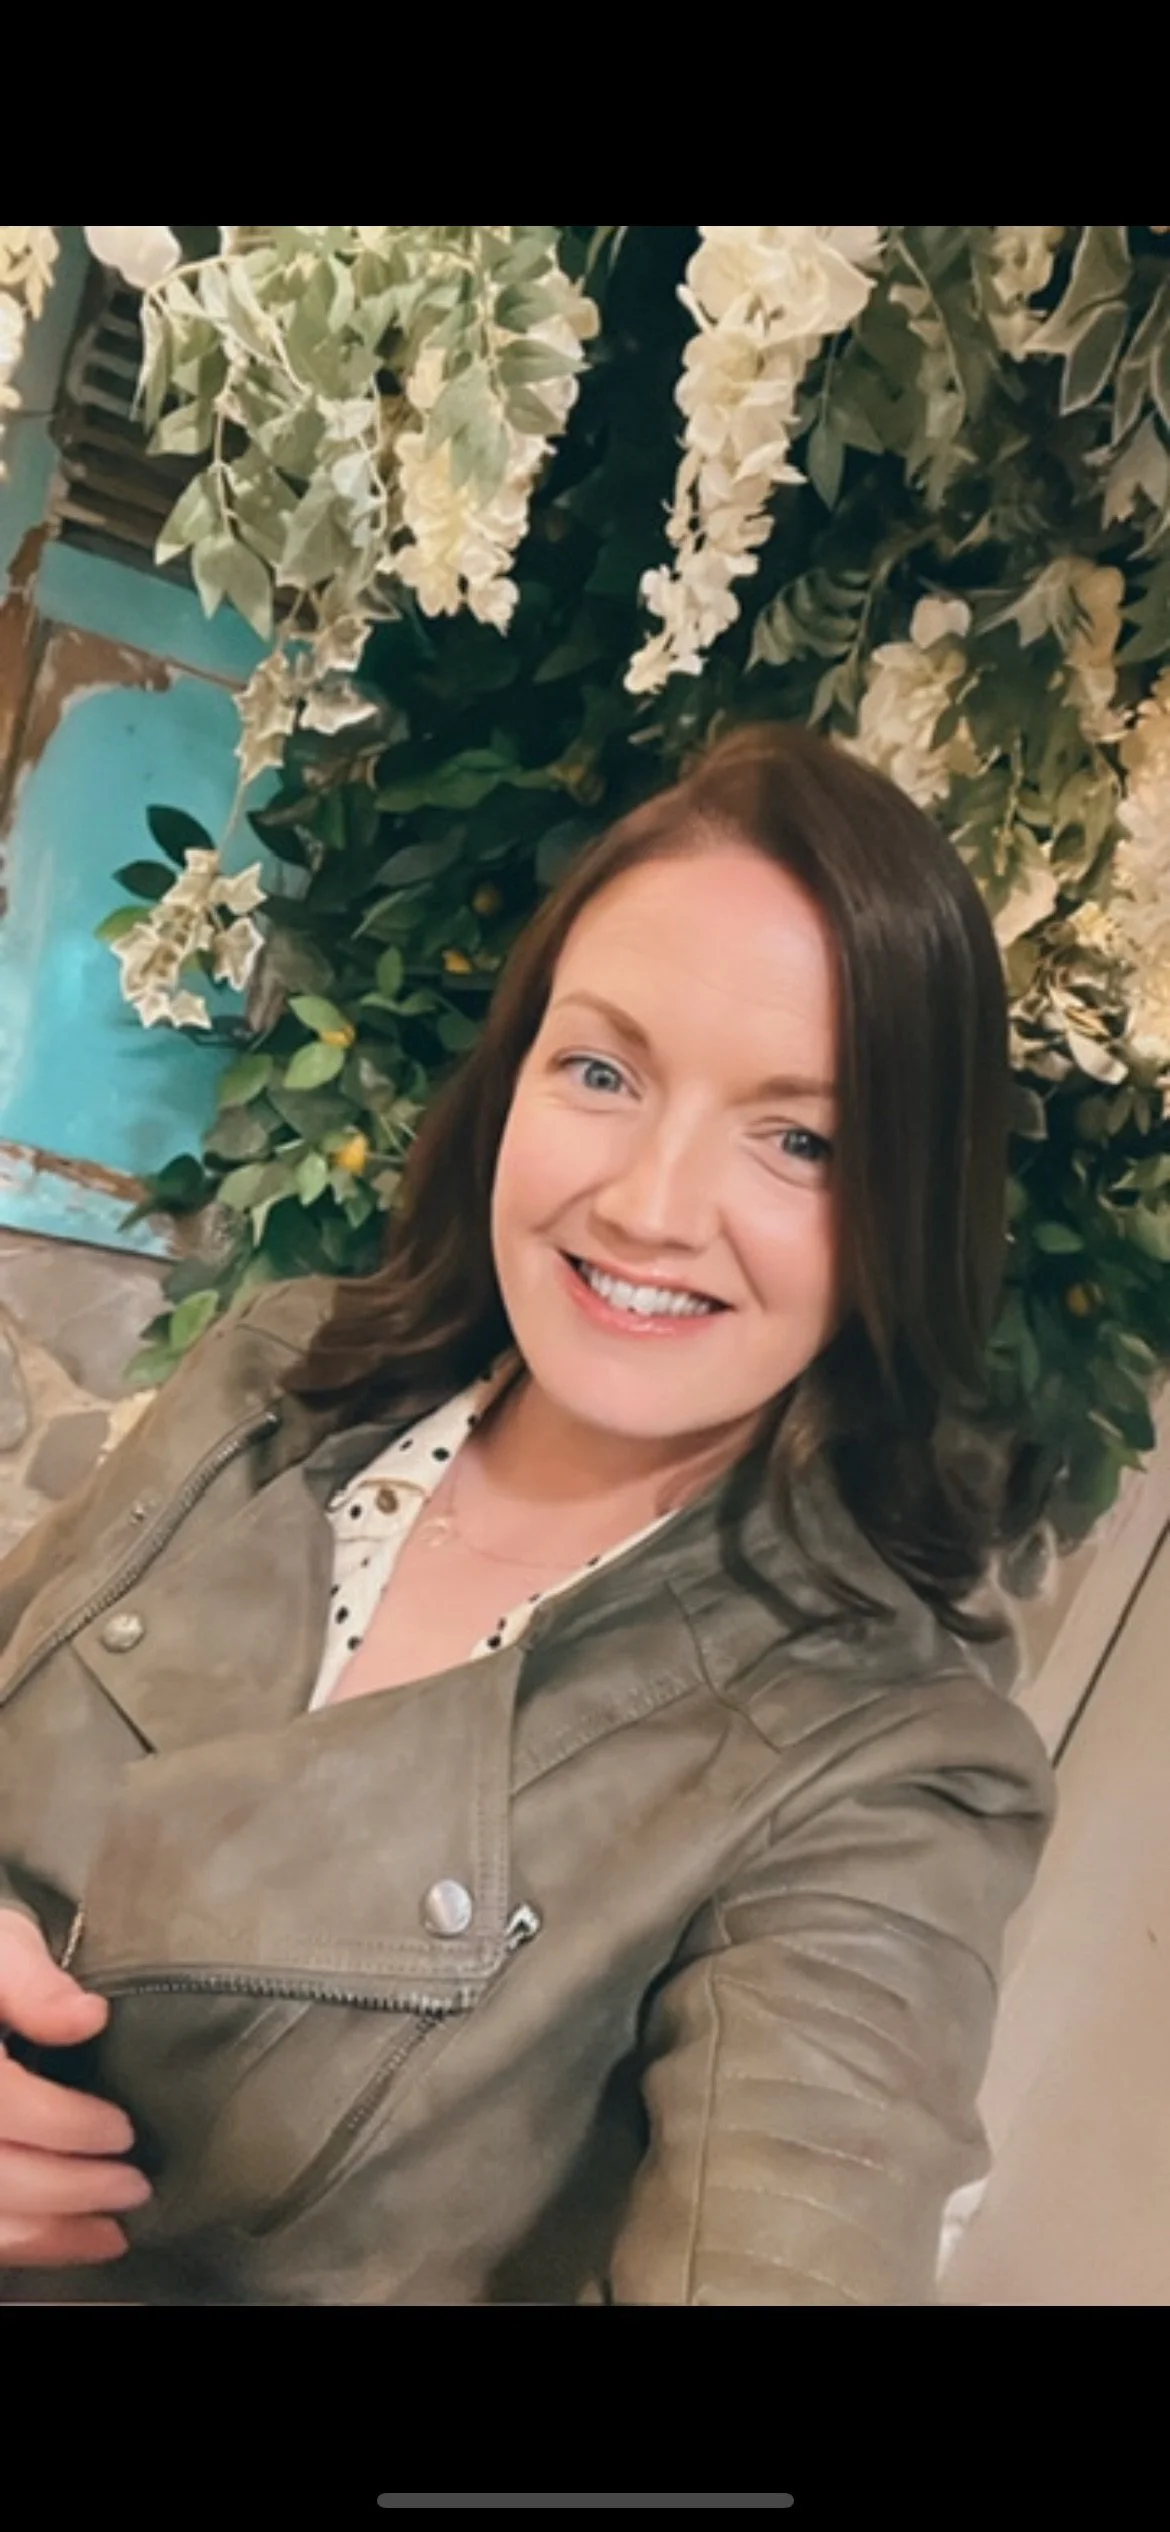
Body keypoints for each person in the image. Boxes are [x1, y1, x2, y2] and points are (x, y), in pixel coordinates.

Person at [0, 719, 1055, 2306]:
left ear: (902, 1208)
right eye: (602, 1070)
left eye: (798, 1137)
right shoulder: (284, 1378)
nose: (644, 1204)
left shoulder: (883, 1767)